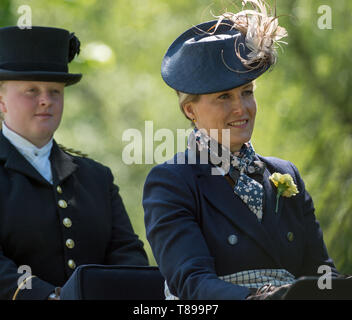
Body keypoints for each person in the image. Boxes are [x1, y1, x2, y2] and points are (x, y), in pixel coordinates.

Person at [143, 0, 339, 300]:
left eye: (247, 93)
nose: (241, 108)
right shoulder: (171, 182)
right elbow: (193, 283)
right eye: (224, 97)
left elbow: (322, 271)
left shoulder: (285, 175)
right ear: (190, 111)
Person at [0, 26, 148, 300]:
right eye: (31, 91)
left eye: (55, 91)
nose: (46, 101)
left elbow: (127, 254)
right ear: (1, 101)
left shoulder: (96, 177)